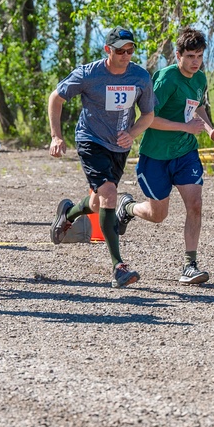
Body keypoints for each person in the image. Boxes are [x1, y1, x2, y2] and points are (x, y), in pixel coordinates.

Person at [113, 27, 214, 285]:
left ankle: (190, 265)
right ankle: (128, 207)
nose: (195, 62)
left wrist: (208, 128)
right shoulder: (165, 79)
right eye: (190, 56)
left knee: (195, 204)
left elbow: (199, 107)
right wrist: (186, 127)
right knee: (158, 214)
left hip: (185, 153)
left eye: (199, 56)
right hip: (156, 156)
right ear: (178, 55)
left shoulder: (200, 79)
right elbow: (149, 120)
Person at [48, 26, 155, 288]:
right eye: (120, 50)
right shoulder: (89, 74)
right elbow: (56, 98)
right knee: (109, 194)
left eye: (131, 50)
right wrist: (56, 135)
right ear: (108, 50)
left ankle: (69, 213)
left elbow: (148, 115)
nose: (126, 55)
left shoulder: (140, 77)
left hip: (119, 146)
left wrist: (133, 133)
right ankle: (118, 266)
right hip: (90, 139)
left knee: (97, 204)